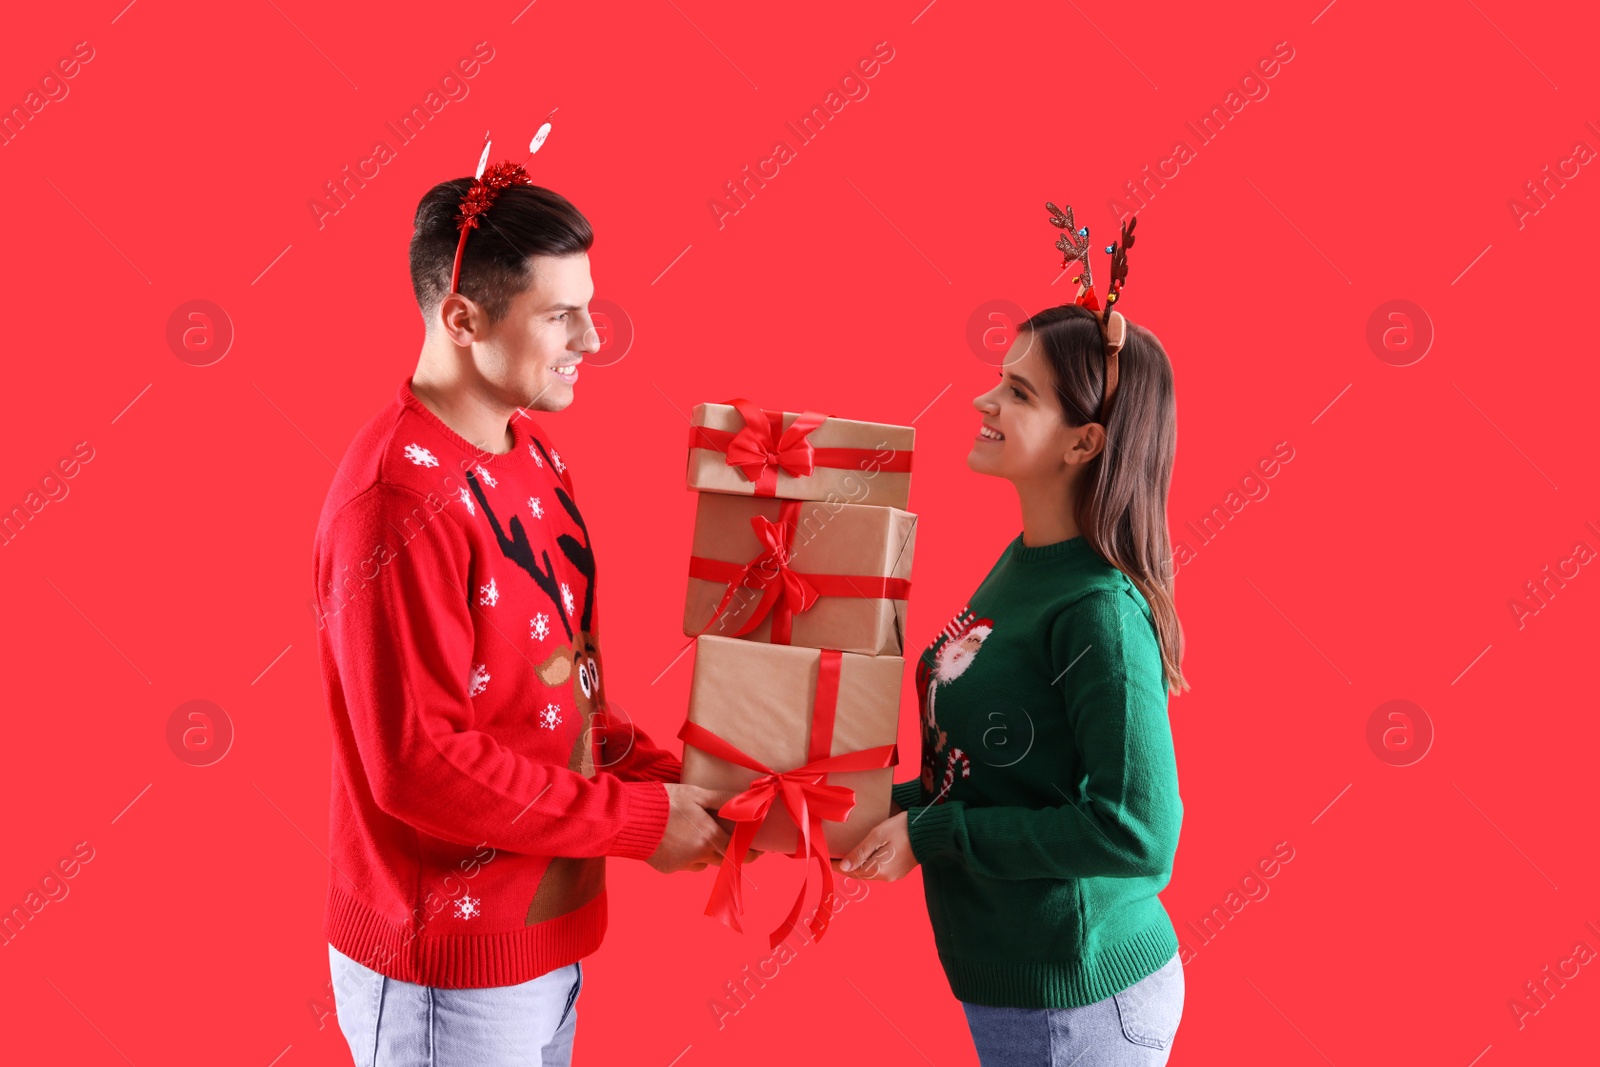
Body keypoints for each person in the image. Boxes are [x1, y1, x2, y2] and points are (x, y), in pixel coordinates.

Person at [311, 166, 732, 1066]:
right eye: (558, 315)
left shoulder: (532, 452)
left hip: (541, 940)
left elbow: (560, 699)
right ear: (462, 319)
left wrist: (695, 779)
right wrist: (644, 823)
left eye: (589, 305)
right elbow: (421, 764)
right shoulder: (397, 502)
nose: (592, 337)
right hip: (447, 974)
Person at [840, 260, 1190, 1065]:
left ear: (1084, 442)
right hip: (1025, 986)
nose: (984, 401)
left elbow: (1139, 834)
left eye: (1020, 393)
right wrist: (832, 808)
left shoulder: (1096, 609)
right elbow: (986, 776)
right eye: (1001, 379)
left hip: (1078, 997)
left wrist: (932, 835)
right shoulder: (1025, 563)